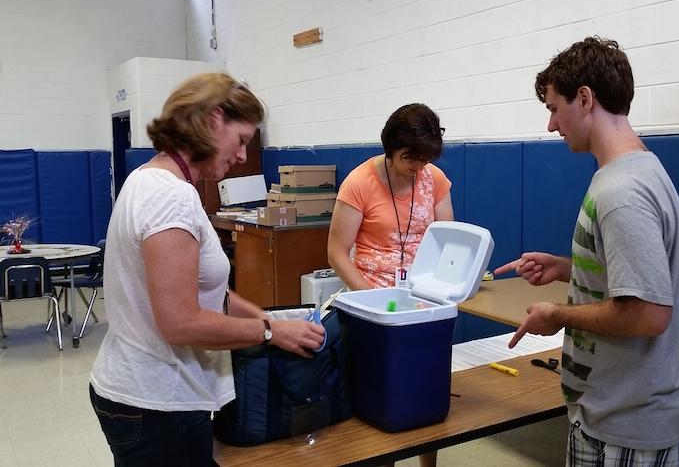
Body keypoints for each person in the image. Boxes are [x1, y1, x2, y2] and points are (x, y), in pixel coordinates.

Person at [89, 72, 325, 466]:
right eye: (242, 140)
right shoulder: (172, 196)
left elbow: (206, 290)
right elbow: (182, 322)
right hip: (158, 403)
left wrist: (269, 320)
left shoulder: (147, 179)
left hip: (138, 392)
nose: (243, 156)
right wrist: (268, 331)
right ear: (214, 120)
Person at [495, 37, 679, 466]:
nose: (551, 125)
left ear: (585, 98)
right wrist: (568, 269)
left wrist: (558, 315)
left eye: (553, 108)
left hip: (628, 428)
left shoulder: (622, 191)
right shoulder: (640, 170)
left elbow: (647, 312)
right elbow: (632, 276)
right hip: (614, 415)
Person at [328, 103, 452, 467]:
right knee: (381, 393)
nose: (418, 167)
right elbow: (336, 251)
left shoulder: (434, 178)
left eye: (424, 159)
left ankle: (428, 461)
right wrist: (372, 300)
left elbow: (446, 239)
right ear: (390, 148)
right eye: (409, 158)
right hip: (372, 297)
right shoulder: (359, 182)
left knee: (424, 385)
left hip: (422, 298)